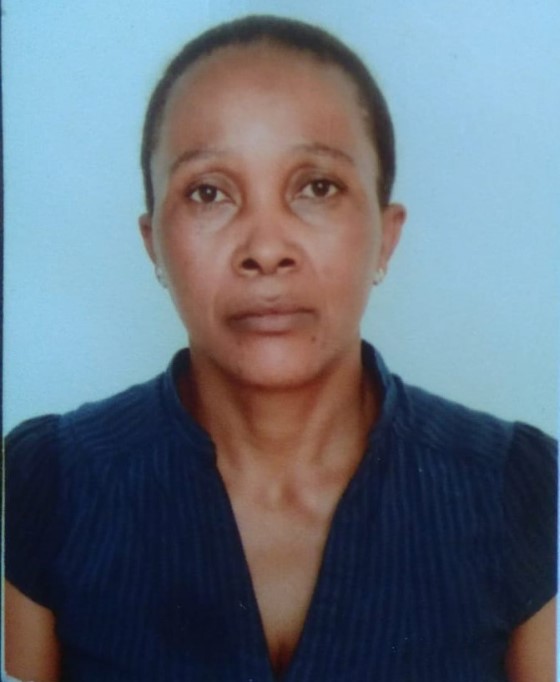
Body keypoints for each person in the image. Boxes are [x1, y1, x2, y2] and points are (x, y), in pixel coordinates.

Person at [4, 15, 556, 682]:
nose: (266, 249)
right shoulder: (47, 484)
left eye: (317, 187)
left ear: (386, 236)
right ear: (154, 244)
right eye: (209, 192)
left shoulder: (519, 489)